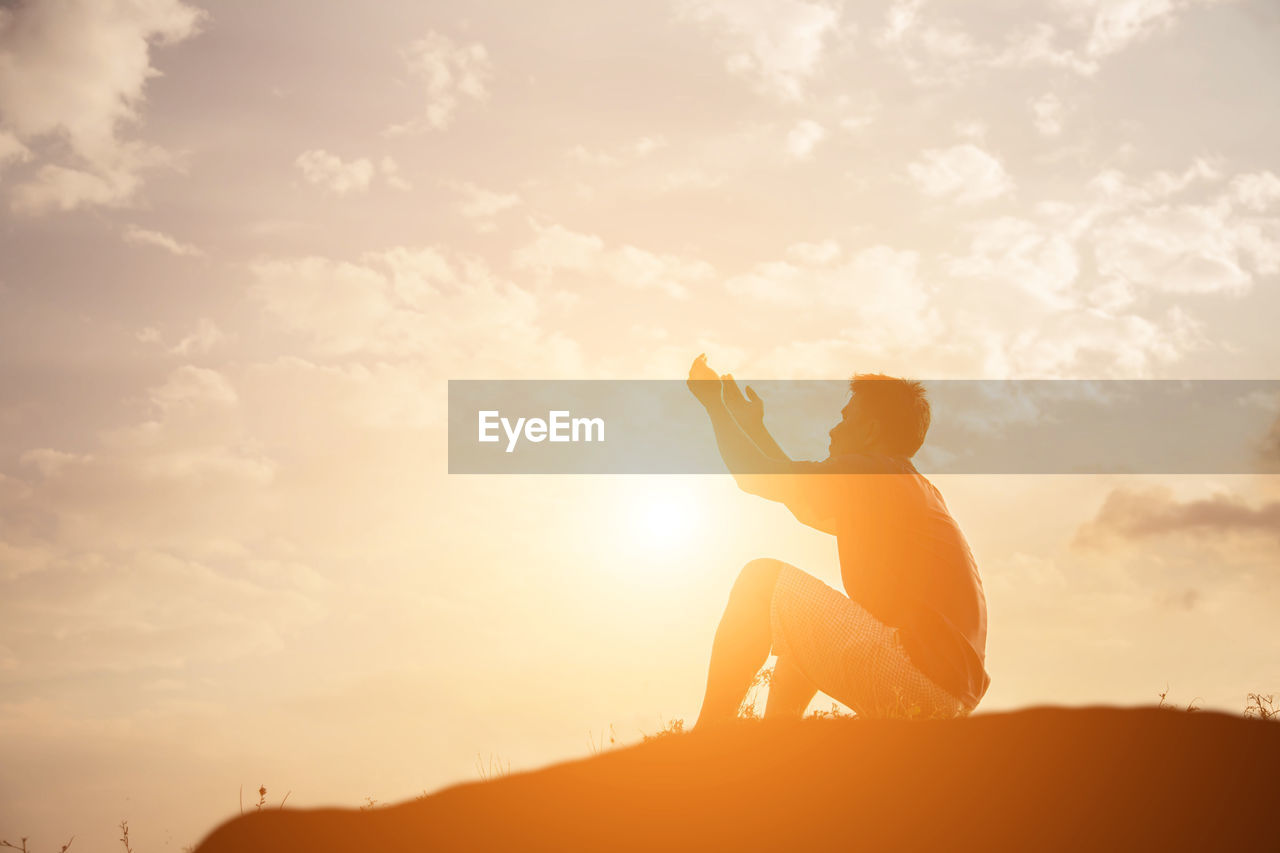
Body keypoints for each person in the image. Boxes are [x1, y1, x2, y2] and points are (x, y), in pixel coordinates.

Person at [687, 354, 990, 726]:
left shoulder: (873, 472)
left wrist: (714, 406)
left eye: (845, 418)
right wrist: (751, 426)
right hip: (948, 695)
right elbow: (795, 496)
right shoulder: (904, 487)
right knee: (795, 621)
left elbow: (756, 477)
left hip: (916, 675)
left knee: (760, 581)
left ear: (870, 432)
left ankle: (707, 736)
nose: (833, 430)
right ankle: (774, 741)